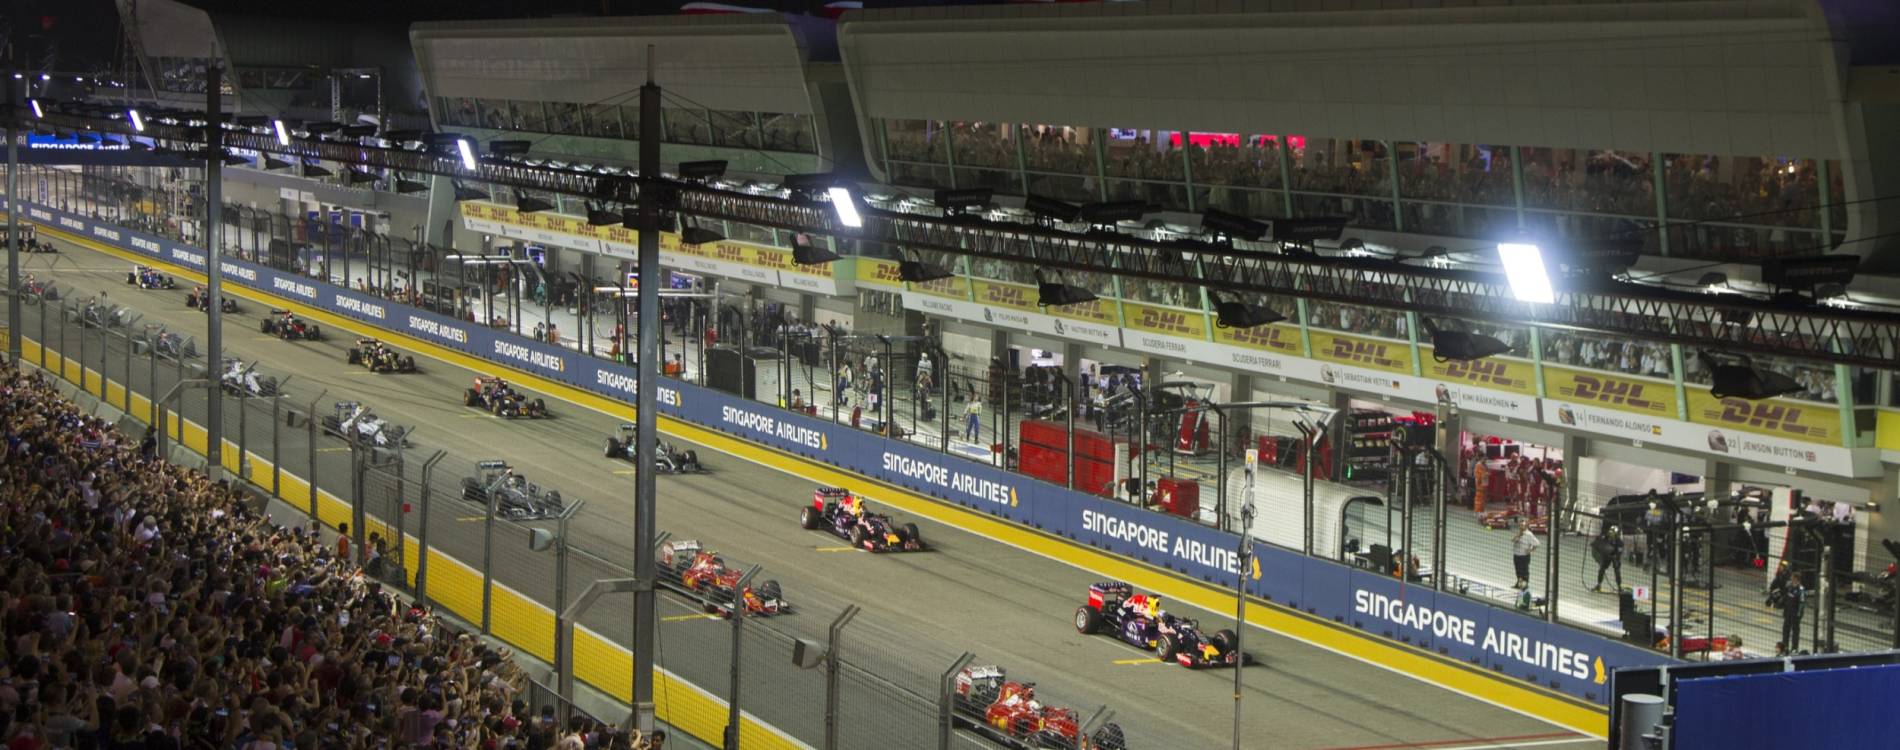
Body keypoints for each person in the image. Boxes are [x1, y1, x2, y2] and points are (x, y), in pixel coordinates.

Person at [1591, 525, 1625, 592]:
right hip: (1607, 556)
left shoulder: (1619, 542)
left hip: (1615, 557)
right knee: (1601, 569)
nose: (1611, 534)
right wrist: (1597, 539)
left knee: (1617, 571)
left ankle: (1619, 587)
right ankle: (1599, 585)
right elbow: (1598, 542)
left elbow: (1620, 551)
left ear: (1616, 534)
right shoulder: (1606, 537)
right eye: (1610, 532)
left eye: (1613, 533)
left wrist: (1615, 556)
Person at [1511, 518, 1539, 589]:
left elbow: (1537, 543)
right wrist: (1519, 535)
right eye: (1520, 525)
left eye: (1522, 525)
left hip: (1524, 556)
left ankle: (1525, 585)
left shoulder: (1529, 534)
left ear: (1525, 526)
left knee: (1525, 571)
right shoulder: (1518, 533)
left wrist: (1530, 550)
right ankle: (1519, 583)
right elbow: (1513, 540)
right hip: (1516, 555)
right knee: (1518, 570)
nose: (1521, 527)